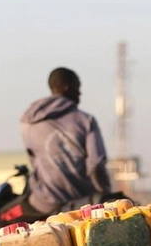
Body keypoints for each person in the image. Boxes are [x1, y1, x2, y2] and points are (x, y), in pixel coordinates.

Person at [13, 67, 113, 222]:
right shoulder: (85, 121)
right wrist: (104, 195)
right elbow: (96, 164)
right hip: (79, 202)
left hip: (42, 203)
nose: (80, 93)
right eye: (78, 88)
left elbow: (34, 159)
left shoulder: (27, 121)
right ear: (67, 88)